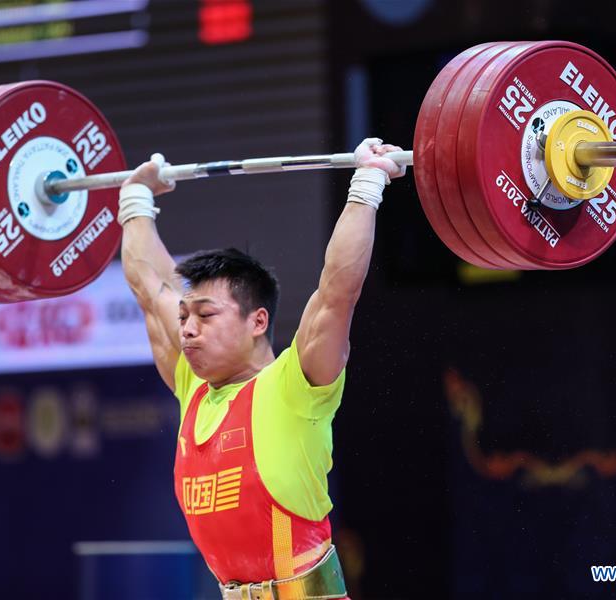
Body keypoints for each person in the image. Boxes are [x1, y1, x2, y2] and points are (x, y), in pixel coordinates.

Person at [118, 138, 405, 599]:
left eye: (206, 316)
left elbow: (336, 291)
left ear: (258, 321)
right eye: (185, 317)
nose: (188, 329)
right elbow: (150, 287)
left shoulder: (295, 385)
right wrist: (136, 200)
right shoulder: (192, 386)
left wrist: (367, 184)